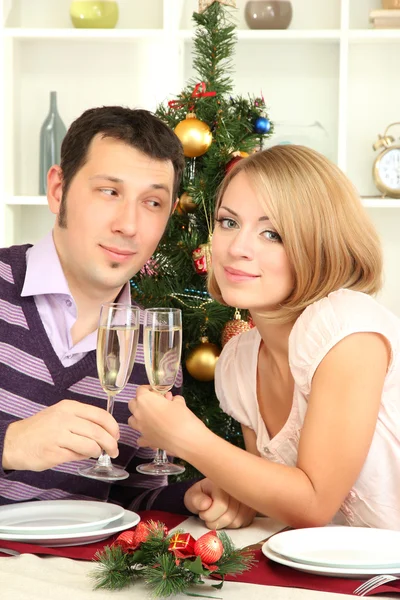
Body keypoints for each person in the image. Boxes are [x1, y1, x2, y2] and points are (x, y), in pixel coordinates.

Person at [129, 144, 400, 530]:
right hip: (333, 580)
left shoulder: (346, 329)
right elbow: (283, 505)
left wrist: (187, 438)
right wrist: (235, 499)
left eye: (272, 233)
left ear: (319, 243)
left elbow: (314, 503)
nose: (237, 248)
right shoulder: (239, 361)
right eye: (228, 222)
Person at [0, 106, 213, 516]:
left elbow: (132, 497)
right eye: (109, 192)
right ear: (58, 189)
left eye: (152, 202)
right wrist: (10, 444)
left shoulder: (154, 345)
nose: (128, 225)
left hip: (77, 575)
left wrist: (187, 498)